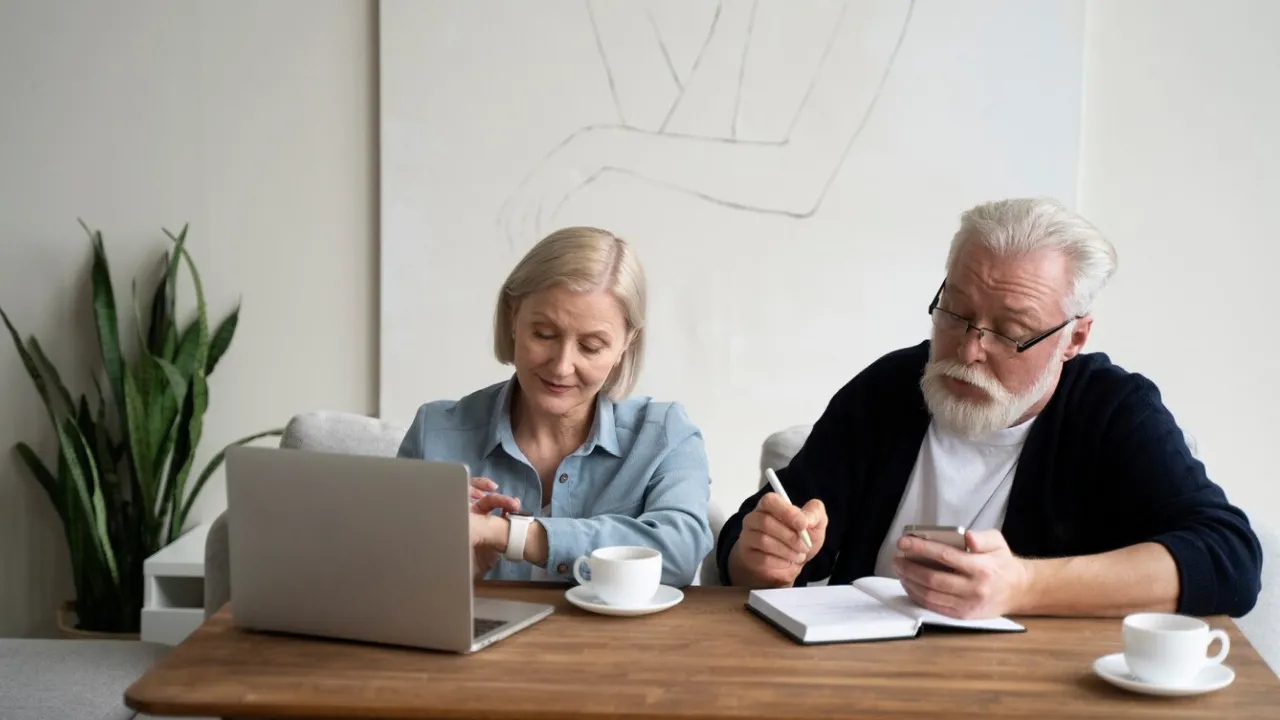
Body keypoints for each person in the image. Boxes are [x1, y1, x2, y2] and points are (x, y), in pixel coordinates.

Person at [716, 197, 1263, 619]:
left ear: (1073, 339)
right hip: (868, 683)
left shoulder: (1113, 412)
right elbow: (750, 541)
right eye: (954, 313)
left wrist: (1022, 586)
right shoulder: (891, 389)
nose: (970, 350)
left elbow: (1229, 560)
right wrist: (760, 556)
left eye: (1012, 332)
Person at [397, 226, 713, 586]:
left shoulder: (666, 434)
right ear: (513, 317)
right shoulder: (435, 433)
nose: (562, 366)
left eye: (591, 346)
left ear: (627, 343)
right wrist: (455, 571)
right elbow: (385, 577)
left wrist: (503, 533)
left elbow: (678, 556)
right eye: (544, 335)